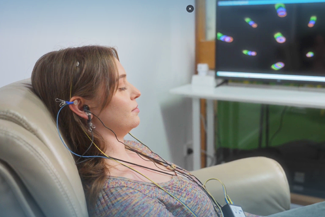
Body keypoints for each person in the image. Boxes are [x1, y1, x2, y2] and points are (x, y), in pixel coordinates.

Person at [30, 45, 261, 217]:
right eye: (121, 87)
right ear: (82, 107)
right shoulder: (123, 199)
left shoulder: (132, 148)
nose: (137, 92)